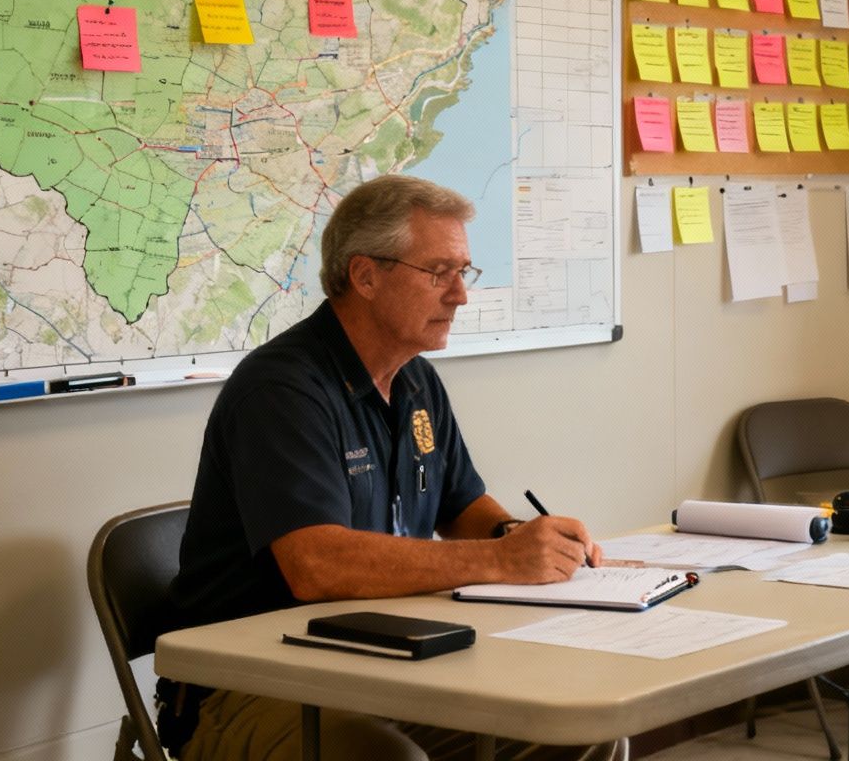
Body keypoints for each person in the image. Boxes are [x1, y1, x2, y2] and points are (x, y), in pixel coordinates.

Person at [163, 174, 624, 761]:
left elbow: (460, 505)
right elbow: (316, 566)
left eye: (464, 272)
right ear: (366, 275)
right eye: (439, 272)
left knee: (577, 733)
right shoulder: (282, 390)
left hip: (385, 657)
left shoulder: (415, 377)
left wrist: (516, 536)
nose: (460, 295)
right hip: (255, 682)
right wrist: (502, 560)